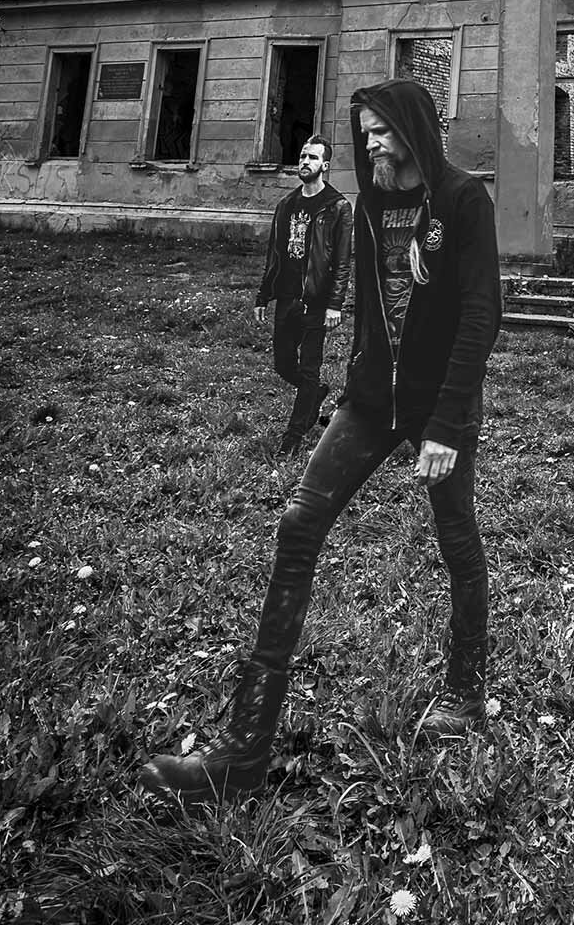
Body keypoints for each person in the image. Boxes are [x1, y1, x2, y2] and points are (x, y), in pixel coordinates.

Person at [140, 79, 502, 805]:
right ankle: (243, 751)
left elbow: (480, 314)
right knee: (299, 524)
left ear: (412, 129)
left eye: (381, 131)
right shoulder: (369, 204)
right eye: (364, 133)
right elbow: (371, 304)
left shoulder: (464, 199)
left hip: (439, 406)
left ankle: (466, 689)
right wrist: (358, 376)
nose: (370, 144)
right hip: (370, 401)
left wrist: (444, 424)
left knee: (457, 537)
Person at [253, 136, 352, 456]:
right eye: (302, 156)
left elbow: (342, 261)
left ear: (325, 166)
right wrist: (263, 295)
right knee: (283, 364)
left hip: (317, 301)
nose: (305, 161)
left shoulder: (338, 207)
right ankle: (316, 393)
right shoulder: (287, 204)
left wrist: (335, 304)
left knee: (309, 368)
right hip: (287, 298)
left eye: (313, 158)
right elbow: (274, 254)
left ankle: (292, 438)